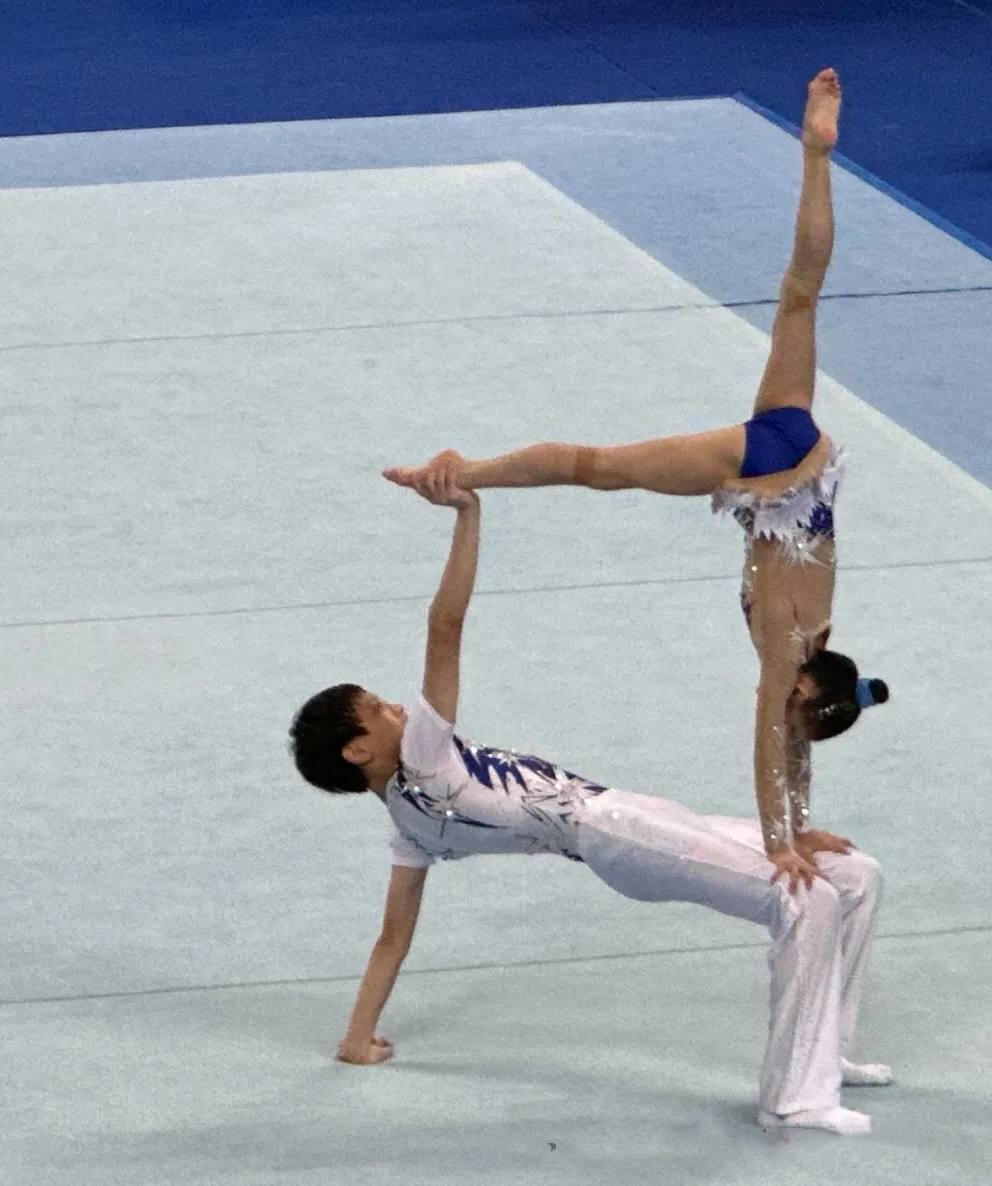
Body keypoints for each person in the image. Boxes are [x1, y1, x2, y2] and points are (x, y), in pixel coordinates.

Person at [381, 68, 888, 890]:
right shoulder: (785, 643)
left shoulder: (819, 647)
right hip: (760, 470)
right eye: (794, 703)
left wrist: (804, 822)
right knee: (598, 467)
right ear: (805, 685)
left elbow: (795, 735)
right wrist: (777, 841)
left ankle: (815, 153)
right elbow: (771, 738)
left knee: (800, 296)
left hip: (805, 448)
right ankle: (460, 471)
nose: (783, 709)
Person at [289, 479, 892, 1135]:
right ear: (357, 750)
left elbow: (391, 941)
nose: (395, 707)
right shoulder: (424, 759)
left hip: (624, 821)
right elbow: (446, 625)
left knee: (854, 876)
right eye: (376, 710)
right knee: (804, 899)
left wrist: (357, 1038)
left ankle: (824, 1055)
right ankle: (792, 1100)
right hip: (614, 831)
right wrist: (468, 514)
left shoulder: (409, 830)